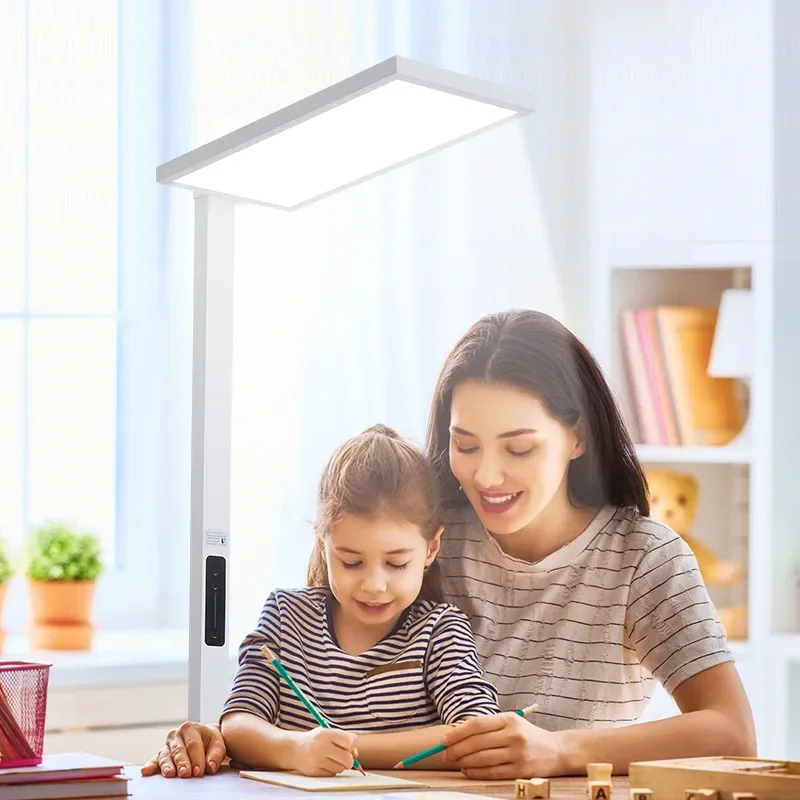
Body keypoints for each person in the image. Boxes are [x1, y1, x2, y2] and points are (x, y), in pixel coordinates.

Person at [142, 309, 755, 781]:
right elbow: (314, 672)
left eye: (518, 448)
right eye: (465, 445)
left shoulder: (642, 557)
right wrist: (234, 736)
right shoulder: (427, 534)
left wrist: (563, 749)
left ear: (577, 437)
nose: (487, 476)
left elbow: (731, 733)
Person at [213, 425, 500, 777]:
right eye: (351, 562)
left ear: (431, 548)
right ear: (322, 545)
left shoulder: (439, 630)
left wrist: (350, 749)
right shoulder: (285, 616)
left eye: (396, 563)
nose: (374, 585)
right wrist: (296, 749)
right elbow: (239, 724)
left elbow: (478, 734)